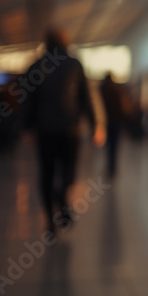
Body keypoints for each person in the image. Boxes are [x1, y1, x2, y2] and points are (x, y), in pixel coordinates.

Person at [23, 28, 104, 233]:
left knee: (47, 172)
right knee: (69, 170)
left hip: (45, 130)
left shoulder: (36, 66)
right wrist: (96, 125)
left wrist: (26, 127)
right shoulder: (74, 64)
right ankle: (62, 199)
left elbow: (28, 101)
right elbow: (85, 98)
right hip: (71, 129)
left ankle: (50, 219)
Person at [100, 73, 127, 178]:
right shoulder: (117, 89)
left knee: (108, 146)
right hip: (116, 122)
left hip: (107, 122)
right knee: (114, 146)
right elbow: (121, 107)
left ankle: (110, 166)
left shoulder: (103, 90)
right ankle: (112, 166)